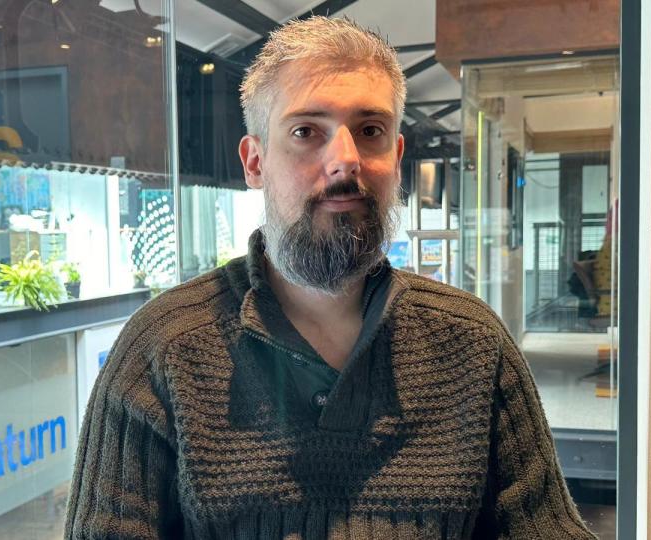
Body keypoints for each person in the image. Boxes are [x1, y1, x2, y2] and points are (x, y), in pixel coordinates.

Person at [65, 17, 596, 539]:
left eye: (370, 131)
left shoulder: (473, 344)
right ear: (254, 162)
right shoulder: (163, 349)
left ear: (396, 156)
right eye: (305, 132)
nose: (345, 160)